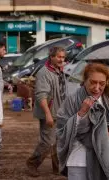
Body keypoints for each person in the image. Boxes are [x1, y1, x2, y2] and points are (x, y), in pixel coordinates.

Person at [56, 63, 109, 180]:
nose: (97, 88)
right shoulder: (72, 100)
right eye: (93, 82)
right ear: (85, 80)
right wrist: (81, 113)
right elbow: (61, 130)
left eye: (101, 84)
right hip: (78, 162)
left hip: (106, 162)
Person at [26, 47, 67, 177]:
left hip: (59, 111)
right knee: (48, 142)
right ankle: (32, 163)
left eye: (63, 57)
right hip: (49, 112)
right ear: (52, 57)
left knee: (58, 141)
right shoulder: (44, 72)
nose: (62, 60)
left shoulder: (59, 70)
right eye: (59, 57)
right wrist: (48, 114)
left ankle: (58, 167)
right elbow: (41, 95)